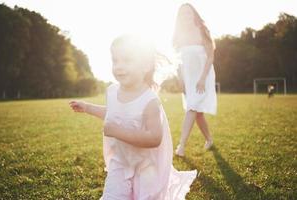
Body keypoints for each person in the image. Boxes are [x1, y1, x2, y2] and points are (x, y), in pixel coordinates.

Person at [69, 34, 197, 199]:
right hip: (120, 162)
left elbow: (154, 138)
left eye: (127, 60)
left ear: (145, 66)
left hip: (146, 166)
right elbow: (114, 115)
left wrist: (117, 131)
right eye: (115, 60)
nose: (119, 66)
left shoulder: (150, 100)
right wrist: (87, 108)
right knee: (112, 196)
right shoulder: (112, 91)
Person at [173, 3, 217, 156]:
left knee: (192, 107)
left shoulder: (202, 31)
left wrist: (203, 78)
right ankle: (209, 140)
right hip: (188, 80)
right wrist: (181, 80)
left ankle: (181, 146)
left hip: (204, 77)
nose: (186, 16)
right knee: (197, 112)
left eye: (188, 13)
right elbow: (179, 62)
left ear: (194, 14)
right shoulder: (179, 36)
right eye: (182, 14)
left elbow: (211, 55)